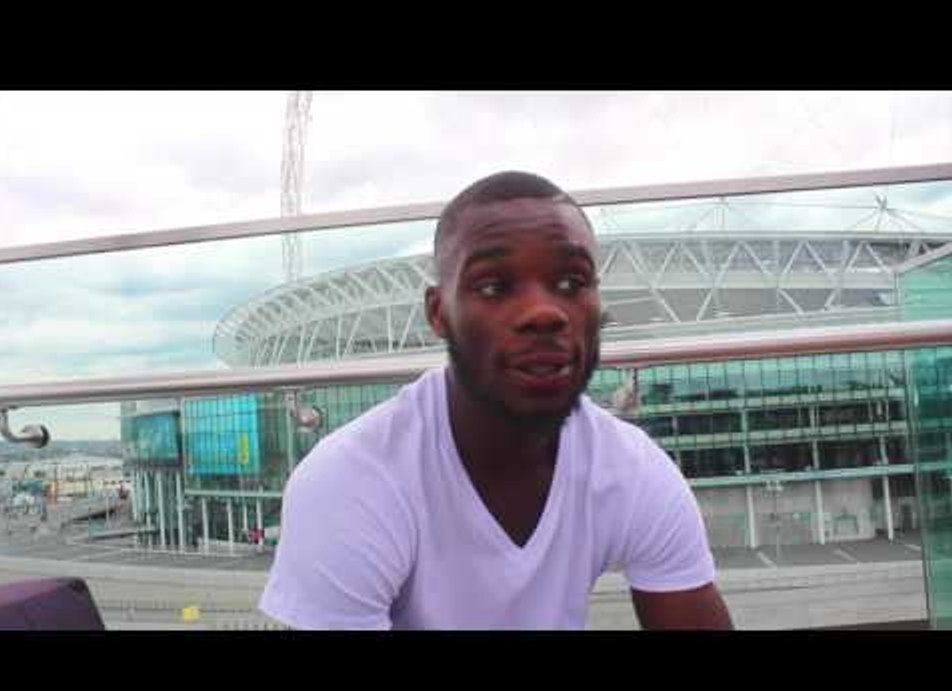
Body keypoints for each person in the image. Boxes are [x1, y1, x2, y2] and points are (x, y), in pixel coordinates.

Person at [259, 171, 733, 630]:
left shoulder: (630, 468)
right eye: (494, 286)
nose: (544, 312)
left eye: (572, 282)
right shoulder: (351, 481)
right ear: (439, 313)